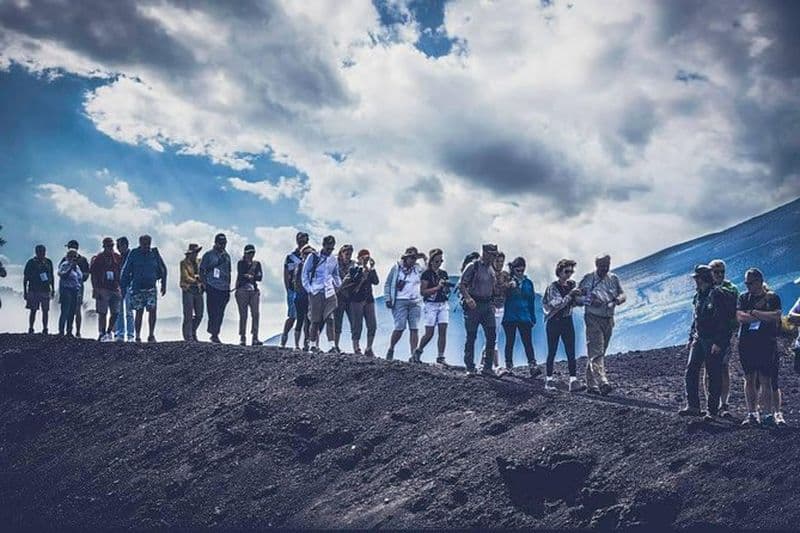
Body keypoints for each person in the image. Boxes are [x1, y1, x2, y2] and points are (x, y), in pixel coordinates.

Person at [678, 265, 732, 420]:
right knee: (691, 370)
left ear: (702, 278)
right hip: (699, 338)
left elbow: (724, 321)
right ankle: (693, 406)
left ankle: (712, 410)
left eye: (697, 278)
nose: (695, 281)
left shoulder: (717, 295)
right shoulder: (699, 295)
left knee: (713, 373)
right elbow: (696, 318)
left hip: (712, 340)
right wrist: (691, 338)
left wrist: (719, 342)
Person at [736, 268, 782, 428]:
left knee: (765, 379)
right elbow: (741, 317)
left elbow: (776, 316)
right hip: (746, 343)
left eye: (750, 283)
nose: (747, 286)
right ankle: (752, 413)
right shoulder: (743, 297)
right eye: (746, 283)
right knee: (749, 378)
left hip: (766, 343)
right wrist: (763, 316)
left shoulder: (772, 297)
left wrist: (754, 312)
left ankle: (768, 414)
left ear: (760, 282)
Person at [578, 254, 626, 395]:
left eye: (607, 265)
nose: (605, 268)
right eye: (602, 266)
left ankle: (591, 384)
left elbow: (622, 294)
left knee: (599, 351)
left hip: (608, 318)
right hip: (592, 318)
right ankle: (602, 382)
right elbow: (577, 298)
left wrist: (617, 301)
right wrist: (591, 301)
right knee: (597, 350)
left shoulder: (613, 279)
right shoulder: (588, 279)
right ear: (596, 265)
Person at [705, 259, 740, 418]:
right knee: (708, 370)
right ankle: (711, 403)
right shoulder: (705, 289)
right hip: (708, 335)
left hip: (725, 334)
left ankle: (724, 404)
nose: (719, 275)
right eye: (716, 272)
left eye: (722, 272)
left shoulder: (731, 288)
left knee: (724, 368)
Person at [542, 259, 583, 391]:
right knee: (552, 351)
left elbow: (577, 303)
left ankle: (573, 380)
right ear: (559, 272)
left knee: (571, 351)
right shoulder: (552, 287)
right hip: (554, 321)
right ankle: (549, 380)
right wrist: (571, 295)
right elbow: (557, 304)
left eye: (571, 271)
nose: (569, 274)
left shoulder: (571, 285)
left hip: (567, 320)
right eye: (567, 271)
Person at [459, 244, 498, 377]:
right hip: (474, 304)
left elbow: (492, 287)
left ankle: (487, 367)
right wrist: (468, 298)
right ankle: (470, 366)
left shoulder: (491, 269)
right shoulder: (473, 266)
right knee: (471, 336)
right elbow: (462, 284)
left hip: (487, 305)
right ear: (485, 253)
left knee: (491, 335)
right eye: (492, 254)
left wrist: (493, 301)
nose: (494, 257)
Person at [119, 235, 167, 343]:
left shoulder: (154, 253)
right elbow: (126, 270)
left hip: (151, 287)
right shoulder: (134, 253)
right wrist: (123, 287)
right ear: (140, 243)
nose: (146, 246)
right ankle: (137, 336)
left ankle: (151, 335)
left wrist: (164, 284)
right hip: (137, 288)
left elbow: (163, 269)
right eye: (144, 244)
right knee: (139, 311)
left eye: (148, 243)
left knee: (152, 310)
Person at [502, 257, 542, 379]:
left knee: (527, 342)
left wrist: (533, 317)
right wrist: (507, 286)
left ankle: (532, 366)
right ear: (513, 269)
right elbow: (501, 295)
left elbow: (531, 301)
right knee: (510, 341)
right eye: (518, 270)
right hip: (510, 316)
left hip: (524, 316)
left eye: (522, 270)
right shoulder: (508, 281)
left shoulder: (528, 283)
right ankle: (509, 366)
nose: (520, 272)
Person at [384, 247, 426, 361]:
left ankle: (413, 355)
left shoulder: (418, 268)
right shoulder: (396, 268)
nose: (413, 260)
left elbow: (428, 273)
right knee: (400, 326)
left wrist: (424, 258)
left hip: (415, 301)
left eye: (415, 258)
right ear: (406, 257)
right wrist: (388, 298)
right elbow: (388, 283)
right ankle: (391, 348)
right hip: (400, 301)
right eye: (411, 257)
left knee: (414, 328)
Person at [302, 235, 341, 353]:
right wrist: (309, 289)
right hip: (316, 291)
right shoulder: (313, 257)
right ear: (323, 245)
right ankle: (312, 345)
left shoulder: (333, 259)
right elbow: (305, 273)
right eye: (328, 248)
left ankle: (332, 346)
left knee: (330, 318)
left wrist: (338, 284)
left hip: (329, 291)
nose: (330, 251)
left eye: (332, 249)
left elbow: (335, 274)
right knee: (315, 320)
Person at [414, 248, 450, 365]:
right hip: (430, 305)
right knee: (429, 333)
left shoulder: (443, 274)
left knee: (443, 331)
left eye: (441, 261)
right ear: (431, 261)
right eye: (436, 261)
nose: (439, 263)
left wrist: (445, 288)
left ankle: (441, 356)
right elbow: (423, 292)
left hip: (443, 304)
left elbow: (446, 291)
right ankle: (418, 350)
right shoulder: (426, 274)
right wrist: (437, 288)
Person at [482, 251, 513, 370]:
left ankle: (483, 363)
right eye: (497, 261)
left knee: (493, 337)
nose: (500, 264)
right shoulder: (489, 274)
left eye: (501, 262)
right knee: (492, 337)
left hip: (501, 308)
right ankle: (496, 365)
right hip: (491, 308)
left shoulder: (505, 275)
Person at [346, 249, 380, 356]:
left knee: (372, 324)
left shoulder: (370, 270)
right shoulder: (353, 269)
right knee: (357, 325)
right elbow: (354, 280)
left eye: (367, 257)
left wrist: (372, 268)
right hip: (356, 299)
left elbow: (376, 281)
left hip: (369, 299)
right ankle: (356, 347)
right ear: (359, 258)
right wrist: (362, 269)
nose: (365, 260)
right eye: (363, 257)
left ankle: (369, 347)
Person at [200, 233, 232, 344]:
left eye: (224, 243)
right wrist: (204, 284)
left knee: (220, 312)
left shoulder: (227, 256)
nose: (223, 245)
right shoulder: (208, 255)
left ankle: (215, 333)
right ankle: (213, 333)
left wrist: (229, 286)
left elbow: (229, 271)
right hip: (212, 286)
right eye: (221, 243)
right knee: (213, 311)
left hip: (224, 288)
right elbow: (202, 270)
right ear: (216, 243)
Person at [89, 237, 123, 341]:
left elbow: (121, 271)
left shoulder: (117, 257)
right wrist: (95, 289)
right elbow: (93, 274)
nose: (110, 247)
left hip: (115, 288)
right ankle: (102, 333)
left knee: (116, 312)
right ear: (104, 246)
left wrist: (120, 286)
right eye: (108, 246)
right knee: (102, 312)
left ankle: (109, 331)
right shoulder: (99, 258)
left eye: (112, 245)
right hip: (102, 288)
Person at [281, 232, 309, 347]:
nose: (302, 242)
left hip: (307, 291)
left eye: (304, 241)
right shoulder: (290, 257)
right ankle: (284, 337)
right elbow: (286, 273)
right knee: (293, 316)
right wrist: (288, 290)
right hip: (293, 290)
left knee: (307, 318)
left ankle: (306, 342)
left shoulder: (310, 255)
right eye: (300, 240)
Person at [235, 244, 263, 346]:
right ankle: (242, 337)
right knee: (243, 315)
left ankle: (255, 337)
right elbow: (241, 275)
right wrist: (251, 276)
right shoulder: (241, 263)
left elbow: (260, 277)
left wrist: (250, 276)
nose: (251, 255)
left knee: (255, 314)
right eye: (249, 253)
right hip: (242, 290)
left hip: (253, 290)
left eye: (252, 253)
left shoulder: (257, 264)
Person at [60, 240, 90, 338]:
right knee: (68, 309)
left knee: (75, 309)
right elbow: (61, 273)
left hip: (77, 287)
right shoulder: (65, 261)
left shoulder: (82, 260)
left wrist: (76, 276)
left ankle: (76, 331)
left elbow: (85, 275)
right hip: (69, 287)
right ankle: (68, 330)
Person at [23, 244, 55, 334]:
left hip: (45, 290)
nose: (42, 253)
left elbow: (51, 276)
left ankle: (45, 328)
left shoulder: (48, 262)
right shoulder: (31, 262)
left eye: (43, 251)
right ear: (36, 252)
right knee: (33, 310)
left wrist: (53, 289)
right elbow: (25, 277)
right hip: (33, 289)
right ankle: (31, 328)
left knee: (45, 310)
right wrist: (25, 291)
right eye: (40, 252)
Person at [332, 244, 356, 353]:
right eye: (347, 254)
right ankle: (336, 345)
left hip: (350, 296)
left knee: (354, 321)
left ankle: (355, 346)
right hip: (339, 296)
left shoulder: (353, 264)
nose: (348, 256)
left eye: (350, 254)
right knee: (338, 321)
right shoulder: (335, 264)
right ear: (341, 253)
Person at [292, 244, 315, 351]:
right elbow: (297, 282)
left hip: (309, 296)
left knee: (309, 321)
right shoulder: (300, 266)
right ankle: (297, 345)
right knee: (300, 320)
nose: (308, 256)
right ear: (302, 255)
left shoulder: (313, 266)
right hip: (301, 296)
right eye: (306, 253)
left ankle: (307, 343)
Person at [179, 243, 204, 342]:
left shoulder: (200, 262)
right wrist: (196, 280)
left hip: (198, 290)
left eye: (197, 252)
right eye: (195, 252)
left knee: (199, 314)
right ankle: (188, 337)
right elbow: (185, 277)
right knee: (188, 315)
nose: (196, 254)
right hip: (188, 290)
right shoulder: (183, 263)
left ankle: (192, 331)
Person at [57, 248, 83, 337]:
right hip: (66, 289)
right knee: (65, 310)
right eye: (71, 256)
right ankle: (61, 331)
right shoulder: (65, 265)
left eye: (75, 257)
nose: (73, 258)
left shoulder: (77, 268)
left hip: (74, 290)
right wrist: (70, 268)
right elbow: (62, 275)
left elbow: (80, 279)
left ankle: (69, 331)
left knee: (72, 311)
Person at [115, 237, 134, 342]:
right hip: (119, 286)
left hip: (128, 285)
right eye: (117, 246)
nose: (118, 248)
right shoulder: (118, 257)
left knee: (129, 311)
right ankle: (120, 334)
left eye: (120, 246)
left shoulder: (131, 256)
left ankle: (130, 335)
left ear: (126, 245)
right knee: (119, 311)